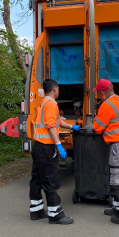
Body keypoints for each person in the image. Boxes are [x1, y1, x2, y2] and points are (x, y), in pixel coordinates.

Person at [29, 78, 79, 224]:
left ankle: (36, 210)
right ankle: (55, 213)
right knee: (51, 179)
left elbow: (57, 121)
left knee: (37, 179)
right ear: (55, 89)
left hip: (38, 147)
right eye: (58, 89)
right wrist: (58, 144)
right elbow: (51, 126)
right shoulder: (51, 104)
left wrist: (71, 127)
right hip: (46, 148)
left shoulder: (43, 103)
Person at [93, 79, 119, 226]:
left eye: (97, 93)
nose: (97, 96)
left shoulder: (106, 105)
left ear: (102, 93)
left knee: (118, 180)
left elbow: (97, 127)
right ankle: (118, 207)